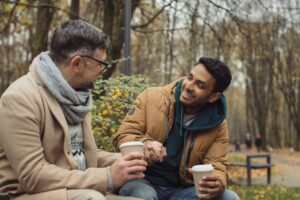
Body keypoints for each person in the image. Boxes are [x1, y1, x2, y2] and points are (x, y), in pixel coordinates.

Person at [0, 20, 147, 200]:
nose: (102, 70)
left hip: (75, 188)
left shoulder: (77, 97)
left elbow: (85, 155)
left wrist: (131, 160)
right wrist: (108, 177)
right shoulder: (20, 98)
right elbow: (33, 176)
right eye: (101, 63)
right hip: (26, 194)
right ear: (77, 63)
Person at [113, 57, 239, 200]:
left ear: (213, 96)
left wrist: (217, 180)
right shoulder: (151, 97)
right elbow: (123, 136)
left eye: (200, 85)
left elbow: (218, 164)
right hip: (140, 180)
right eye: (190, 77)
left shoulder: (218, 125)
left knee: (228, 197)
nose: (189, 86)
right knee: (145, 196)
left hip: (182, 190)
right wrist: (145, 144)